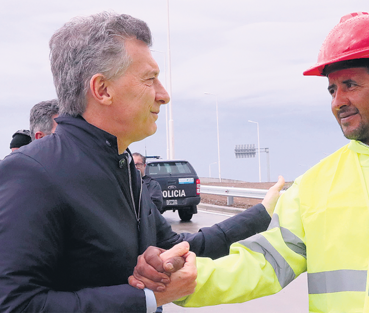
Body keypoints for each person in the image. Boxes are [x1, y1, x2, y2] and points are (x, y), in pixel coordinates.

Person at [130, 12, 369, 312]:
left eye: (349, 85)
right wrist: (189, 279)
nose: (338, 101)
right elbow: (262, 263)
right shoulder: (315, 185)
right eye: (332, 90)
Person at [0, 12, 282, 313]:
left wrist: (262, 213)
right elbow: (15, 303)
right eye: (150, 80)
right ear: (103, 90)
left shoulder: (122, 169)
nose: (164, 95)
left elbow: (179, 245)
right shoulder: (33, 173)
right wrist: (148, 299)